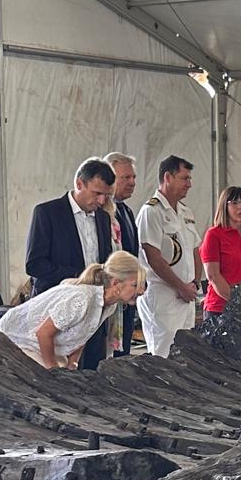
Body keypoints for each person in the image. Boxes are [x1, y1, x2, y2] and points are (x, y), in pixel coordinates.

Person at [24, 157, 117, 369]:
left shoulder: (103, 219)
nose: (102, 201)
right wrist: (80, 276)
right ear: (79, 184)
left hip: (93, 314)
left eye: (107, 195)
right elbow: (34, 264)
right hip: (56, 314)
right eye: (97, 193)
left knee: (93, 373)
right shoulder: (47, 213)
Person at [0, 251, 146, 370]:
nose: (141, 291)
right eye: (135, 285)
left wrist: (72, 363)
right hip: (18, 341)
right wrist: (52, 370)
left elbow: (82, 334)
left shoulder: (110, 305)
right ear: (116, 284)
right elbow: (43, 333)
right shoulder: (81, 299)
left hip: (49, 347)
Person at [137, 154, 201, 358]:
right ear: (168, 177)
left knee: (185, 352)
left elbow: (195, 249)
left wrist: (195, 284)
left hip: (187, 295)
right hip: (163, 294)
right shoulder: (152, 211)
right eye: (185, 178)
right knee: (162, 351)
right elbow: (153, 257)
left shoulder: (185, 211)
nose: (189, 184)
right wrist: (180, 286)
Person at [200, 186, 241, 317]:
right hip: (220, 309)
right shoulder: (213, 235)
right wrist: (238, 301)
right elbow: (213, 276)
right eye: (234, 203)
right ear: (224, 206)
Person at [104, 151, 141, 358]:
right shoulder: (101, 212)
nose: (132, 182)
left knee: (123, 353)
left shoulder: (126, 211)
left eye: (134, 177)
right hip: (109, 295)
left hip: (126, 298)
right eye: (126, 177)